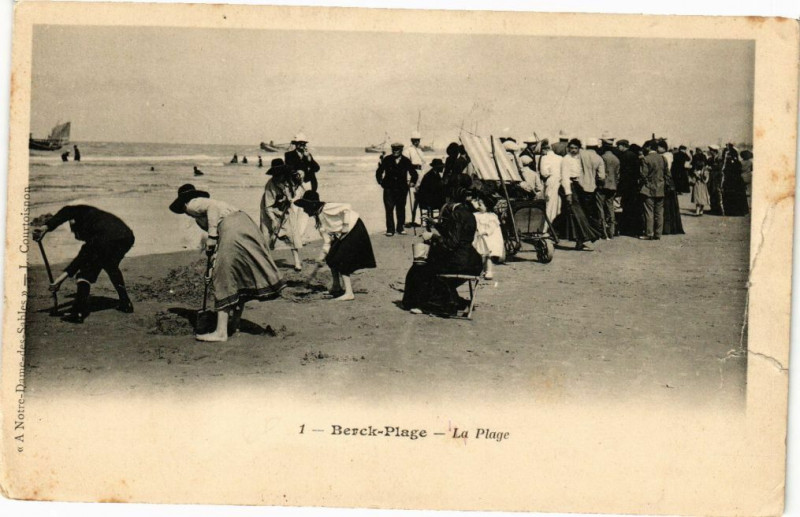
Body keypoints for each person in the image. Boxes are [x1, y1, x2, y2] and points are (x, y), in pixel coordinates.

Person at [169, 184, 284, 342]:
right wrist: (212, 261)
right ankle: (235, 322)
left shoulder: (192, 204)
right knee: (238, 273)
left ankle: (221, 332)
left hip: (232, 228)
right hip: (245, 224)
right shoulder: (203, 215)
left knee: (223, 276)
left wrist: (211, 237)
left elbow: (212, 207)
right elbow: (219, 239)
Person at [31, 203, 135, 323]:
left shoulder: (93, 234)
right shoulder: (87, 214)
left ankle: (78, 312)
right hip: (127, 237)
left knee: (84, 274)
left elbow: (80, 259)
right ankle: (125, 303)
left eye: (75, 232)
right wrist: (46, 228)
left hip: (108, 239)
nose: (75, 235)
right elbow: (66, 212)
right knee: (110, 265)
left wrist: (59, 280)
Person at [402, 187, 483, 316]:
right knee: (427, 267)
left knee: (422, 269)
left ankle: (433, 305)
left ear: (449, 200)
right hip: (472, 260)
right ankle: (454, 302)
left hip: (460, 263)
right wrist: (435, 224)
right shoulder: (466, 213)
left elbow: (451, 243)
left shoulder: (456, 214)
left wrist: (432, 237)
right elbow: (455, 234)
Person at [294, 191, 376, 301]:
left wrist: (346, 225)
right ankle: (336, 286)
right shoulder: (319, 220)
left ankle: (349, 293)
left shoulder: (327, 207)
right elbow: (327, 241)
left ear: (312, 205)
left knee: (341, 258)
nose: (304, 210)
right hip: (344, 234)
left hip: (354, 228)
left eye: (305, 207)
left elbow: (347, 207)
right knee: (331, 256)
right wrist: (322, 257)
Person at [260, 158, 308, 272]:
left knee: (292, 234)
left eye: (280, 173)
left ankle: (297, 261)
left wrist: (298, 180)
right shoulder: (270, 185)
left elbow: (301, 188)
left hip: (286, 209)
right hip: (270, 210)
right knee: (268, 235)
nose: (278, 176)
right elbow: (268, 206)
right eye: (276, 174)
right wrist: (273, 220)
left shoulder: (290, 180)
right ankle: (265, 261)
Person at [558, 139, 601, 250]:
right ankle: (583, 237)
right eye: (571, 148)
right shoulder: (566, 159)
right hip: (571, 187)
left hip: (580, 187)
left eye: (575, 148)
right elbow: (565, 177)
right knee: (577, 214)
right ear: (568, 148)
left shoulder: (581, 158)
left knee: (583, 213)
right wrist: (568, 193)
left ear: (579, 148)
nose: (573, 150)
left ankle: (580, 240)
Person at [376, 142, 418, 236]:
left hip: (402, 189)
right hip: (389, 189)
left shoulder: (406, 161)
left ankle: (400, 228)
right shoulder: (387, 159)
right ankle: (390, 230)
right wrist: (381, 182)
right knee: (389, 209)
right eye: (393, 149)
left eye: (397, 149)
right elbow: (379, 171)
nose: (395, 151)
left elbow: (414, 173)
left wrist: (412, 182)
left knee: (401, 208)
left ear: (401, 150)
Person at [640, 141, 667, 240]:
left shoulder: (646, 159)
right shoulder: (663, 158)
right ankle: (658, 234)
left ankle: (649, 233)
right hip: (660, 188)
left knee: (649, 212)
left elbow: (643, 174)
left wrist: (646, 183)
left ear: (649, 147)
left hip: (649, 189)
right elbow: (667, 173)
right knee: (659, 212)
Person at [581, 138, 607, 237]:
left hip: (579, 186)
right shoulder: (598, 158)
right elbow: (601, 177)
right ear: (596, 147)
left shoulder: (580, 155)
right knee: (590, 211)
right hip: (591, 187)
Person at [658, 141, 685, 235]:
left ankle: (666, 228)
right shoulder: (670, 155)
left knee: (665, 206)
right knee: (671, 206)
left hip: (665, 182)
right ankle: (670, 227)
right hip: (670, 182)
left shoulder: (664, 156)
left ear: (662, 147)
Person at [535, 139, 562, 224]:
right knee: (557, 204)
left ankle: (546, 225)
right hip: (559, 181)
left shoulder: (545, 158)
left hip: (550, 181)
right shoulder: (560, 158)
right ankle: (555, 224)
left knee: (549, 204)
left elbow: (544, 173)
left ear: (544, 149)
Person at [598, 136, 620, 238]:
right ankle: (611, 231)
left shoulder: (602, 158)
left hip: (603, 186)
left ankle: (603, 231)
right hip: (613, 185)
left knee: (601, 208)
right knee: (610, 207)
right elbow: (618, 175)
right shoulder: (616, 159)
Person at [403, 131, 426, 226]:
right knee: (410, 198)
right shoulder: (407, 150)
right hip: (412, 173)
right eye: (415, 140)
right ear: (412, 140)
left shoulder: (420, 151)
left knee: (418, 197)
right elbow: (406, 165)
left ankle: (416, 220)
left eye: (418, 140)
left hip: (420, 173)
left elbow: (423, 164)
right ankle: (409, 220)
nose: (417, 142)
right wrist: (409, 178)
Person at [720, 145, 749, 216]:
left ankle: (732, 211)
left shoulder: (730, 162)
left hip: (732, 181)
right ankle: (736, 211)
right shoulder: (735, 161)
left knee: (732, 195)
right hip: (735, 181)